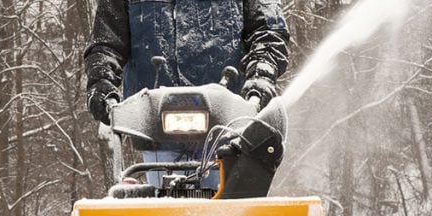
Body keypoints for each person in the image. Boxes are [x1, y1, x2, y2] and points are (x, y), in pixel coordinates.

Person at [84, 0, 290, 186]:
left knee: (231, 211)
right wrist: (102, 81)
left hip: (228, 127)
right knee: (160, 212)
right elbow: (106, 43)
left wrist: (261, 75)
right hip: (155, 125)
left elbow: (269, 32)